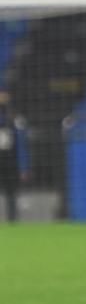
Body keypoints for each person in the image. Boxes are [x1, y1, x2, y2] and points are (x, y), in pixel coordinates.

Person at [0, 92, 20, 222]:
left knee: (11, 192)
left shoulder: (12, 120)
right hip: (6, 159)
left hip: (9, 161)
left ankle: (12, 219)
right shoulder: (10, 119)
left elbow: (20, 144)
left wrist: (23, 166)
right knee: (10, 191)